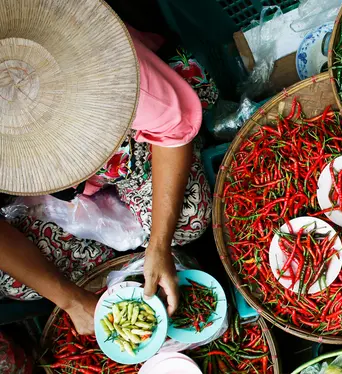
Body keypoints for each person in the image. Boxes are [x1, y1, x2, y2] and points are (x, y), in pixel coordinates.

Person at [0, 11, 211, 336]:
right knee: (19, 283)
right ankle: (123, 269)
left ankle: (150, 256)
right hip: (52, 191)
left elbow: (171, 129)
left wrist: (159, 244)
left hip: (125, 141)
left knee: (188, 218)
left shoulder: (107, 66)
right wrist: (70, 300)